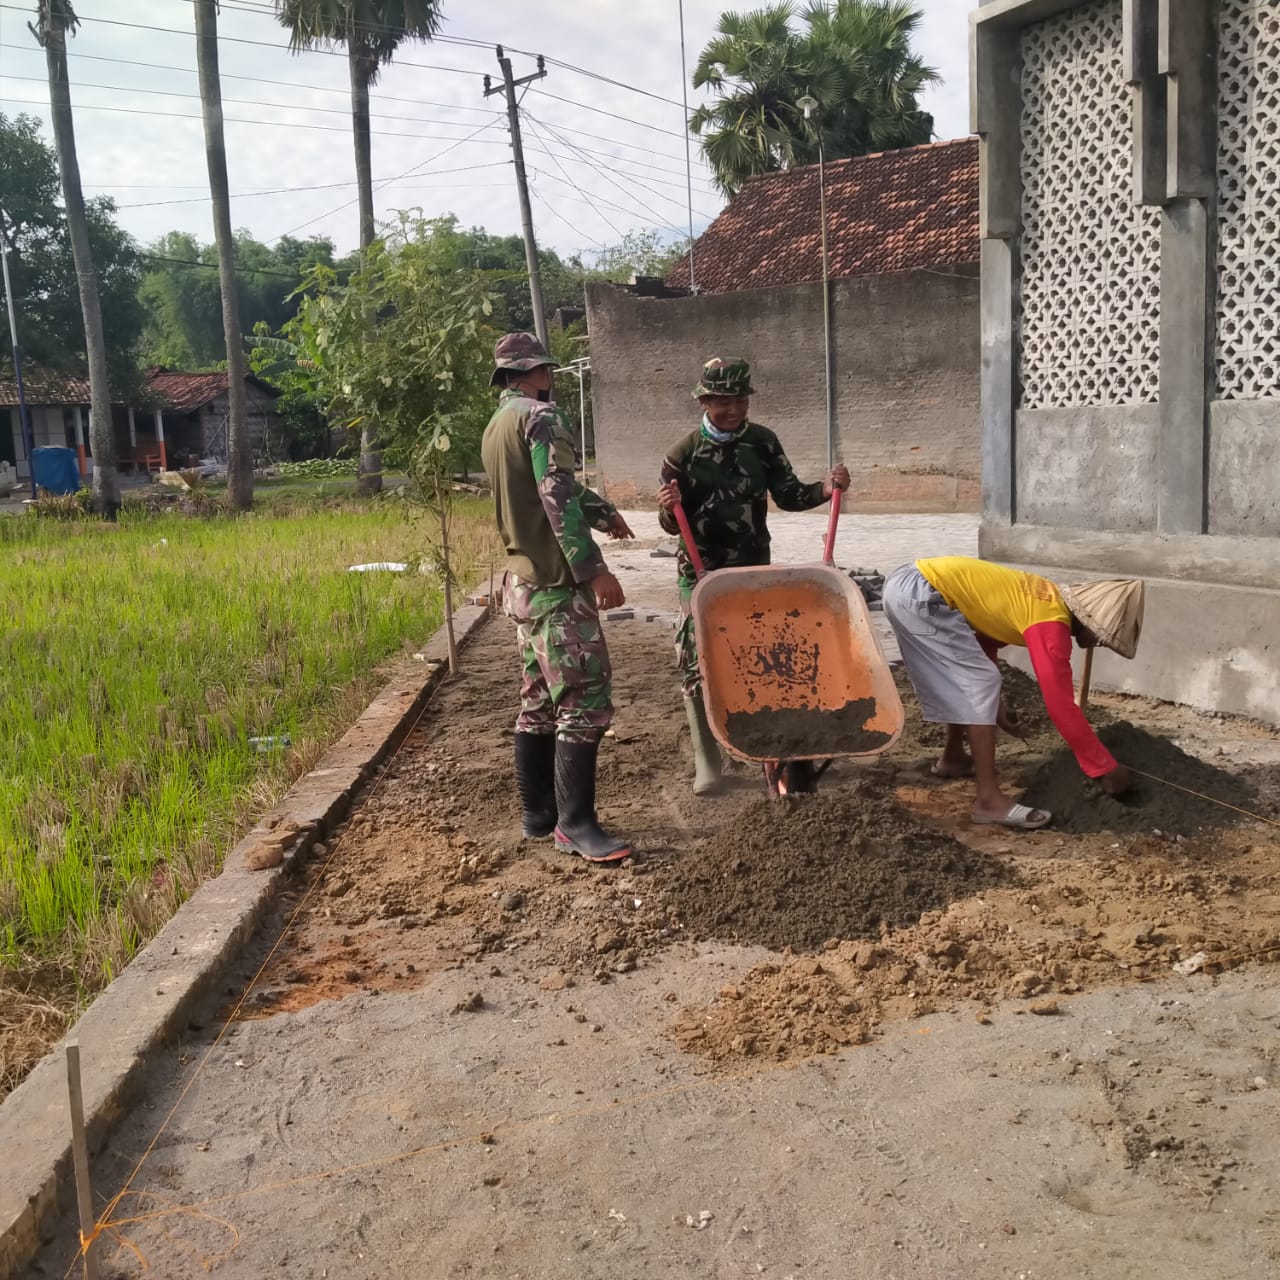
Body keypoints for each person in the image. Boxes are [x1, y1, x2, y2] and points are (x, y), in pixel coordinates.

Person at [655, 355, 851, 795]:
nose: (733, 410)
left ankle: (776, 756)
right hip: (701, 573)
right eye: (722, 401)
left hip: (752, 571)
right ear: (704, 401)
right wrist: (668, 509)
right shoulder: (681, 455)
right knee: (696, 658)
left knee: (766, 661)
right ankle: (708, 763)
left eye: (740, 400)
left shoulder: (762, 442)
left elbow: (789, 495)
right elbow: (671, 523)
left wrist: (826, 487)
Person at [480, 332, 635, 863]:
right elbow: (555, 493)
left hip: (522, 585)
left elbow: (543, 485)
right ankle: (576, 825)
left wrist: (601, 508)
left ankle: (539, 814)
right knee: (584, 701)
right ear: (538, 372)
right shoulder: (542, 417)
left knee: (537, 702)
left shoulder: (498, 424)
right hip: (557, 585)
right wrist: (595, 571)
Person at [881, 556, 1145, 829]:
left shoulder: (1040, 596)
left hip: (907, 584)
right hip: (921, 594)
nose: (1099, 644)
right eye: (1104, 637)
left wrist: (997, 704)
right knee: (980, 681)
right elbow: (1061, 707)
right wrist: (1104, 767)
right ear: (1091, 622)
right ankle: (988, 800)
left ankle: (953, 758)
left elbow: (983, 641)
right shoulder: (1051, 624)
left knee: (973, 679)